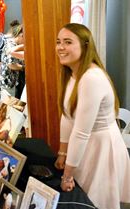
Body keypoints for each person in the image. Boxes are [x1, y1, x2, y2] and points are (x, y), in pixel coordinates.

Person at [54, 23, 130, 209]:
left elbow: (81, 132)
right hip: (86, 145)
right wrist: (63, 152)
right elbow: (67, 115)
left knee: (96, 202)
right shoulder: (72, 74)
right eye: (58, 42)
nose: (61, 47)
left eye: (68, 42)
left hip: (101, 149)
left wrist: (67, 175)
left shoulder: (91, 78)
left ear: (85, 45)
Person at [0, 25, 25, 100]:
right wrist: (23, 67)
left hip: (8, 83)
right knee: (7, 108)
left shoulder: (11, 43)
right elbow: (11, 64)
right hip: (7, 83)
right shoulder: (12, 46)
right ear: (21, 36)